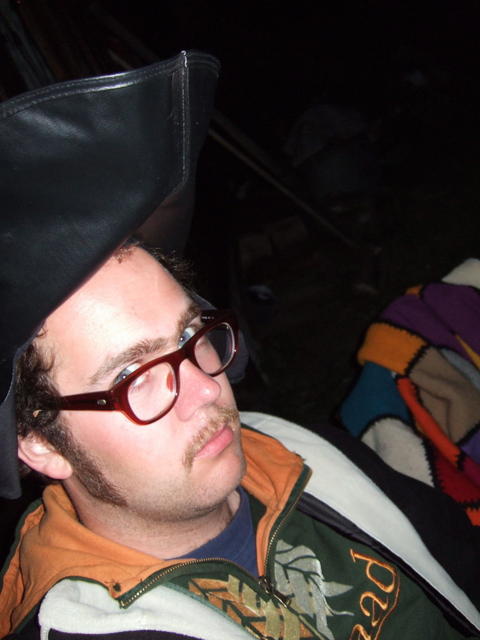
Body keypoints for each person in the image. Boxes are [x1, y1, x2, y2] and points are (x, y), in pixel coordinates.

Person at [1, 54, 480, 640]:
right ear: (40, 443)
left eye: (189, 337)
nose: (207, 390)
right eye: (135, 377)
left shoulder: (294, 451)